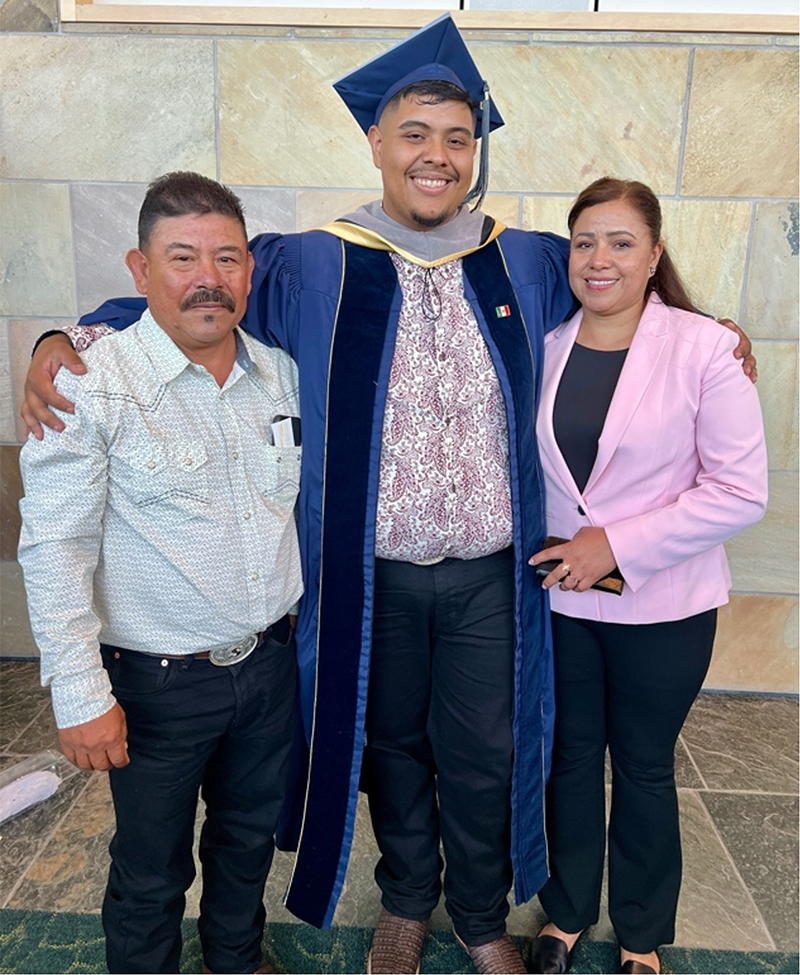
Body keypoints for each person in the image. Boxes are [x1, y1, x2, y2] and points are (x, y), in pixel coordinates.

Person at [19, 17, 756, 975]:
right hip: (375, 576)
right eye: (415, 134)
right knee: (393, 744)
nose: (436, 156)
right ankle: (407, 902)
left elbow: (620, 300)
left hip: (497, 573)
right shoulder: (316, 260)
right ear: (377, 142)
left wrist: (712, 331)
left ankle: (481, 914)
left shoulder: (524, 257)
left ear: (475, 152)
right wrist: (60, 338)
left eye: (457, 138)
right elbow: (184, 298)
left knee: (485, 747)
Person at [17, 172, 303, 975]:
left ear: (249, 272)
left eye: (227, 257)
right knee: (150, 871)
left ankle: (235, 960)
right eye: (182, 257)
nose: (208, 277)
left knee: (247, 845)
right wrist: (78, 693)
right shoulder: (90, 385)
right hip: (156, 683)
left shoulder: (281, 376)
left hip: (269, 669)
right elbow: (54, 545)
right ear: (140, 271)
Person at [527, 178, 768, 975]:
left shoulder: (705, 347)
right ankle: (564, 914)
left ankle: (639, 934)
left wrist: (616, 545)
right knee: (568, 756)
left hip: (664, 605)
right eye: (585, 242)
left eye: (621, 242)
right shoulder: (546, 345)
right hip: (562, 604)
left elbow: (740, 491)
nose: (600, 259)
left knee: (640, 763)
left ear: (655, 254)